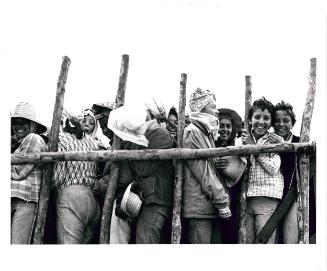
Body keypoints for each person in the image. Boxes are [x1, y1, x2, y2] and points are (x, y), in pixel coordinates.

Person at [110, 104, 175, 244]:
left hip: (157, 199)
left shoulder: (159, 134)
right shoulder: (144, 136)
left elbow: (142, 169)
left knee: (145, 239)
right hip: (148, 199)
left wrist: (129, 142)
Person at [182, 88, 231, 244]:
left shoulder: (205, 132)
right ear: (201, 108)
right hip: (199, 207)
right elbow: (203, 172)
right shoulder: (192, 132)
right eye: (213, 106)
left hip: (208, 205)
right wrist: (222, 200)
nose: (216, 111)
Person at [52, 113, 101, 244]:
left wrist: (52, 189)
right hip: (92, 200)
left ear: (65, 126)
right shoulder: (92, 142)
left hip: (72, 199)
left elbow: (59, 176)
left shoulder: (63, 140)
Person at [241, 97, 284, 244]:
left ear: (271, 121)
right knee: (247, 241)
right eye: (257, 117)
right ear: (250, 119)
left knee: (263, 241)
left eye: (266, 118)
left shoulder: (274, 140)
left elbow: (273, 168)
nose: (261, 122)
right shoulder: (242, 138)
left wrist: (253, 147)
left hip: (267, 197)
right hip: (247, 197)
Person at [11, 102, 48, 244]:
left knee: (17, 244)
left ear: (32, 125)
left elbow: (20, 172)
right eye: (15, 122)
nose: (18, 126)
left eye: (23, 122)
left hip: (25, 199)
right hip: (15, 197)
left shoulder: (33, 138)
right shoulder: (18, 145)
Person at [214, 108, 245, 244]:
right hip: (214, 196)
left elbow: (241, 168)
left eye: (228, 126)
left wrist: (230, 163)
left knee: (231, 233)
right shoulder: (211, 143)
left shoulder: (237, 145)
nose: (225, 129)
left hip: (233, 196)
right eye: (221, 126)